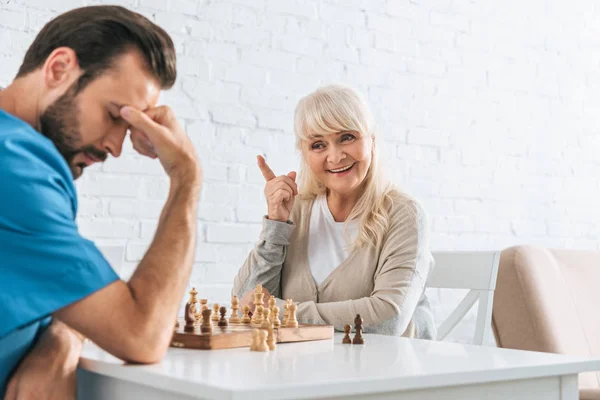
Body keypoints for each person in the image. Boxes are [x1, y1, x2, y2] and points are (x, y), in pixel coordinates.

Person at [0, 6, 201, 398]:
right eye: (114, 116)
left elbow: (72, 298)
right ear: (59, 69)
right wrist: (186, 177)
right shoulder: (14, 166)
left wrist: (63, 336)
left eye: (130, 128)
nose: (115, 146)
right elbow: (141, 334)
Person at [233, 85, 435, 339]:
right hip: (307, 372)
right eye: (318, 144)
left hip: (389, 372)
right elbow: (245, 304)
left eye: (347, 137)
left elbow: (388, 319)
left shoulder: (405, 215)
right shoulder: (297, 210)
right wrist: (275, 226)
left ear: (371, 141)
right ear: (305, 155)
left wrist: (282, 312)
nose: (335, 156)